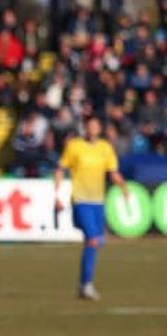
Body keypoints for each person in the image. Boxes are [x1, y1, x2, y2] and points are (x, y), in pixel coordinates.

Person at [54, 115, 129, 301]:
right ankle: (86, 284)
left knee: (96, 242)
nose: (93, 128)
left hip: (98, 201)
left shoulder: (105, 148)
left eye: (96, 125)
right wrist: (57, 195)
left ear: (100, 128)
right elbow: (60, 169)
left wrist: (124, 188)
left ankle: (83, 285)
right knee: (94, 240)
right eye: (90, 125)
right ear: (85, 128)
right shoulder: (74, 146)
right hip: (80, 200)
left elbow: (113, 173)